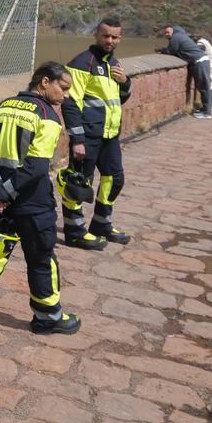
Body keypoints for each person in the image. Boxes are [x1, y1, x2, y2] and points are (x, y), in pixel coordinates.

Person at [0, 62, 82, 337]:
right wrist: (5, 193)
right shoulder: (47, 116)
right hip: (33, 202)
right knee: (41, 259)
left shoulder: (1, 108)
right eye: (63, 87)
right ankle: (47, 318)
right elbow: (36, 167)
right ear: (45, 82)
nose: (65, 95)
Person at [59, 16, 132, 249]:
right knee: (78, 183)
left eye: (114, 36)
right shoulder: (82, 63)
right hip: (88, 137)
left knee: (115, 179)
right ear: (96, 35)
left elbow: (118, 99)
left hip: (109, 136)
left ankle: (101, 224)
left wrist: (126, 83)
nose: (109, 40)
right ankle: (74, 231)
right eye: (105, 35)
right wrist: (77, 139)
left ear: (119, 38)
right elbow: (71, 104)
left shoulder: (114, 64)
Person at [158, 24, 212, 118]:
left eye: (168, 32)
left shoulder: (176, 37)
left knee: (204, 87)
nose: (166, 34)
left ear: (173, 31)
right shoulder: (182, 36)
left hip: (199, 62)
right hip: (201, 61)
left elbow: (171, 51)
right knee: (203, 86)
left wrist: (162, 50)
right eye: (165, 33)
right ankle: (205, 109)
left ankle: (207, 112)